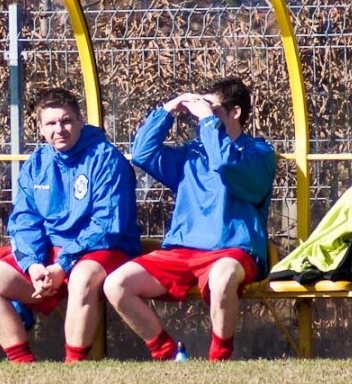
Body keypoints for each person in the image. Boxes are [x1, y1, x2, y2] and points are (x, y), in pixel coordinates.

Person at [104, 77, 276, 361]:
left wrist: (208, 121)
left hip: (232, 250)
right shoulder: (192, 154)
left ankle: (219, 360)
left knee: (222, 277)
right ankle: (169, 354)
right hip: (183, 250)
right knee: (116, 284)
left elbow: (224, 163)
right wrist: (167, 111)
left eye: (213, 108)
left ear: (235, 112)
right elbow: (143, 154)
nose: (203, 114)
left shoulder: (258, 153)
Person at [0, 87, 142, 363]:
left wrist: (64, 264)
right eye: (50, 123)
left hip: (101, 250)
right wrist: (33, 265)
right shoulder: (36, 164)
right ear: (40, 129)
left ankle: (74, 364)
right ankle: (24, 366)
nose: (59, 129)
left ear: (80, 121)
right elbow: (24, 220)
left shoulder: (106, 159)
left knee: (82, 276)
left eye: (66, 121)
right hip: (52, 259)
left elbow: (107, 225)